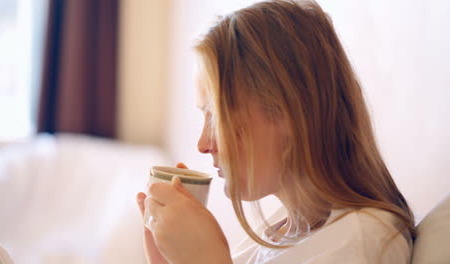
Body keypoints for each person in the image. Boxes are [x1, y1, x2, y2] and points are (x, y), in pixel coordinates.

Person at [136, 0, 415, 263]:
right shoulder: (284, 234)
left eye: (216, 115)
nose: (203, 144)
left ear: (287, 110)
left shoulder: (359, 240)